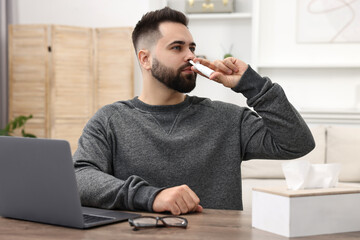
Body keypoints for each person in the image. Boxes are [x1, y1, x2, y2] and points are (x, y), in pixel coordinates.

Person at [73, 7, 315, 215]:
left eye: (192, 47)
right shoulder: (110, 120)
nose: (191, 56)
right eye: (177, 48)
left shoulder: (229, 119)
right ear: (145, 59)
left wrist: (251, 84)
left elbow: (297, 143)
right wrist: (151, 197)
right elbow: (78, 179)